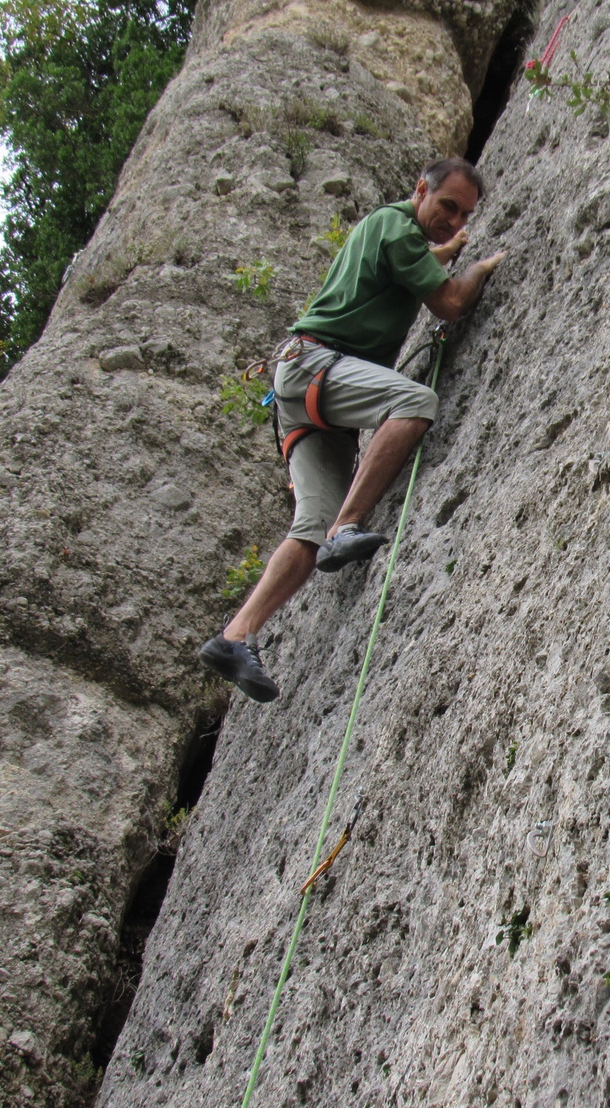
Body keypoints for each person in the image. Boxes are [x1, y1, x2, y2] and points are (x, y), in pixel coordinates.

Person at [199, 157, 507, 703]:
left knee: (307, 528)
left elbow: (417, 264)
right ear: (420, 191)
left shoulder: (388, 232)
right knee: (415, 401)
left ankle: (236, 634)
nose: (455, 223)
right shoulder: (396, 226)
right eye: (447, 207)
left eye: (464, 217)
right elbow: (451, 302)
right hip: (317, 368)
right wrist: (480, 268)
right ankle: (350, 526)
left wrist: (443, 254)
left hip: (304, 394)